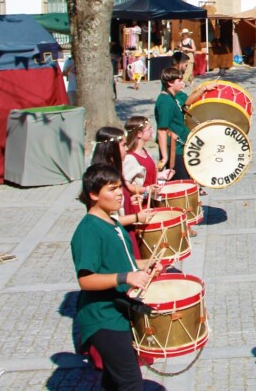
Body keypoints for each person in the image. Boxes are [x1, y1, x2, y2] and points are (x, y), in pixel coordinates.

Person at [70, 163, 161, 391]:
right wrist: (125, 277)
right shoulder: (88, 230)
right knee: (130, 382)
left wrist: (146, 266)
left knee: (113, 379)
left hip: (119, 310)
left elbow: (125, 262)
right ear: (93, 194)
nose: (120, 193)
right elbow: (86, 280)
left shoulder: (112, 222)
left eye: (120, 187)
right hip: (102, 317)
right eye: (112, 189)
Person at [154, 67, 215, 181]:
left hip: (181, 147)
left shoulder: (172, 98)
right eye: (179, 81)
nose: (183, 83)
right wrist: (165, 157)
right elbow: (162, 130)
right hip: (174, 150)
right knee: (183, 185)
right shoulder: (165, 102)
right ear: (170, 83)